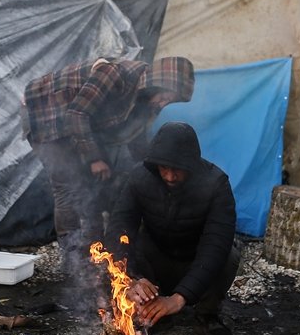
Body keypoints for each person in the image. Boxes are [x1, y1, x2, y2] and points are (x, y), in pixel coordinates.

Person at [22, 57, 195, 290]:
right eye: (166, 96)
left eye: (169, 101)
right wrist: (95, 159)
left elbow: (136, 141)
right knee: (68, 187)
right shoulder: (114, 73)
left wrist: (154, 172)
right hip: (47, 117)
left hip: (76, 127)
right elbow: (77, 114)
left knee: (91, 189)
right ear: (158, 82)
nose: (163, 104)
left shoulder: (143, 100)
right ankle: (74, 259)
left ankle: (95, 255)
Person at [107, 121, 241, 335]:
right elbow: (119, 226)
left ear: (192, 165)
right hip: (156, 258)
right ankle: (152, 311)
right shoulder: (140, 178)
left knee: (229, 255)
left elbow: (216, 244)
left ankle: (206, 315)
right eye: (163, 168)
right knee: (133, 244)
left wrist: (179, 298)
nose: (169, 176)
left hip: (194, 262)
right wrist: (131, 278)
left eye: (177, 169)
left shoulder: (216, 184)